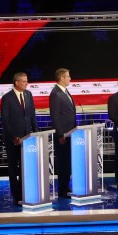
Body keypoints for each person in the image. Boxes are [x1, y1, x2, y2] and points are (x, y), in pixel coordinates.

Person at [0, 71, 39, 205]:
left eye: (27, 80)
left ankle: (24, 193)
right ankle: (16, 195)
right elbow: (5, 120)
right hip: (13, 139)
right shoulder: (7, 98)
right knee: (13, 167)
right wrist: (13, 137)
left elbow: (31, 115)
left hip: (27, 138)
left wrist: (36, 133)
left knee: (25, 167)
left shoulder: (28, 95)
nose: (26, 83)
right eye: (24, 81)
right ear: (16, 82)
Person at [49, 68, 77, 198]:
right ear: (62, 78)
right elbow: (55, 116)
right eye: (68, 76)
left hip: (70, 133)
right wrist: (60, 134)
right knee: (63, 162)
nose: (70, 78)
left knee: (68, 162)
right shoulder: (56, 93)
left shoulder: (65, 92)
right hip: (63, 135)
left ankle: (66, 187)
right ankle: (62, 189)